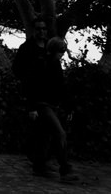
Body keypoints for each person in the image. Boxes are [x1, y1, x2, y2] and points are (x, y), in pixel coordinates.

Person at [25, 36, 78, 181]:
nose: (62, 53)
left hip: (50, 105)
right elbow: (31, 86)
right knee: (59, 133)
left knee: (45, 137)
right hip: (41, 105)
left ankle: (39, 166)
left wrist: (69, 107)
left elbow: (61, 88)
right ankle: (65, 169)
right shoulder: (40, 63)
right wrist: (32, 108)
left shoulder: (55, 65)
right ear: (54, 50)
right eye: (61, 50)